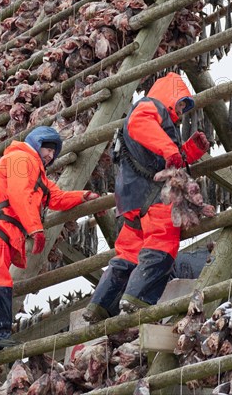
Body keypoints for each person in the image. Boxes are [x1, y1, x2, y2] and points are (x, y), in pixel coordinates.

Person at [0, 126, 100, 363]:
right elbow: (19, 194)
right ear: (36, 142)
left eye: (53, 152)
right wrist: (35, 229)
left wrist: (82, 196)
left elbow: (57, 198)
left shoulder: (38, 176)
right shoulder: (21, 158)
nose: (50, 155)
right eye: (47, 148)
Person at [83, 73, 210, 322]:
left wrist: (190, 151)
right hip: (153, 198)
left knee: (128, 253)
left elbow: (158, 160)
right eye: (182, 102)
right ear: (171, 94)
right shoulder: (150, 106)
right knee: (161, 245)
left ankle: (101, 305)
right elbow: (142, 127)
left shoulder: (156, 119)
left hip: (131, 199)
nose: (182, 109)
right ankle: (136, 299)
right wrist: (171, 148)